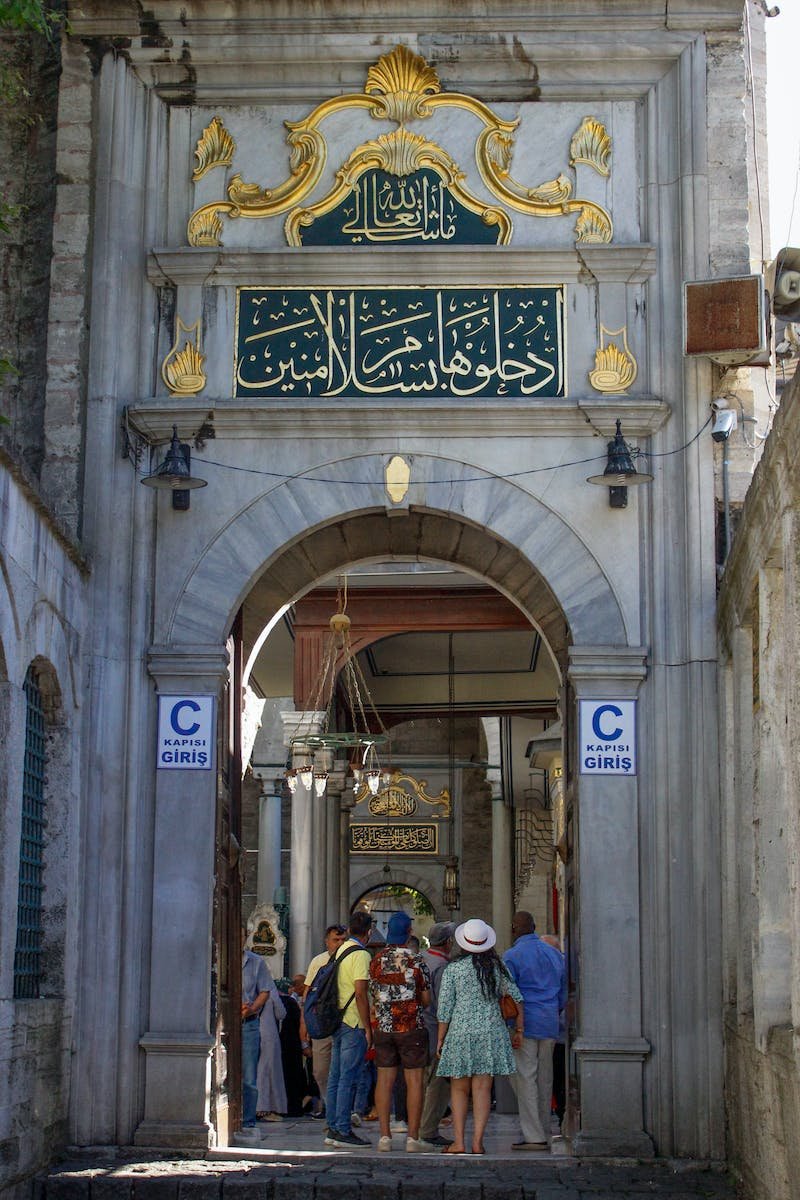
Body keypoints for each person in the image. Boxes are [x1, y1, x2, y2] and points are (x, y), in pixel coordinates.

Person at [436, 918, 523, 1155]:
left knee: (459, 1089)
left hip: (460, 1033)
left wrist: (441, 1039)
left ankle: (459, 1143)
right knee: (483, 1090)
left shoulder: (453, 969)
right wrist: (519, 1030)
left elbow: (445, 1008)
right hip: (490, 1032)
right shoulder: (497, 968)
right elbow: (516, 996)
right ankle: (477, 1142)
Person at [503, 911, 567, 1151]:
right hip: (549, 1020)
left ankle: (533, 1134)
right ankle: (543, 1128)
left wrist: (513, 1025)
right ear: (534, 926)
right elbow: (562, 992)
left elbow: (510, 995)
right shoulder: (554, 954)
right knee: (545, 1076)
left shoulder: (512, 956)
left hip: (525, 1022)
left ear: (514, 929)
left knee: (525, 1077)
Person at [368, 911, 431, 1153]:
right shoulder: (416, 961)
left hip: (384, 1028)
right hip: (411, 1026)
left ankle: (384, 1136)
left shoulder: (376, 960)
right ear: (408, 933)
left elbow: (373, 994)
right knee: (414, 1081)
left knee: (384, 1080)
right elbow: (425, 998)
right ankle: (412, 1137)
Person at [324, 909, 375, 1148]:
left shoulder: (340, 950)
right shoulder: (361, 955)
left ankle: (332, 1126)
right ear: (369, 931)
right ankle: (343, 1129)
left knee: (335, 1077)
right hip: (353, 1021)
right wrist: (368, 1027)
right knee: (348, 1077)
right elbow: (361, 993)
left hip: (338, 1020)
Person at [301, 923, 347, 1120]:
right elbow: (307, 994)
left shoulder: (351, 959)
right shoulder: (318, 962)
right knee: (320, 1070)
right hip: (322, 1023)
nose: (339, 943)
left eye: (343, 940)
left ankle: (344, 1110)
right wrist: (304, 1023)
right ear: (327, 941)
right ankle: (328, 1104)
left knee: (345, 1068)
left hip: (345, 1022)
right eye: (336, 940)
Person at [418, 921, 456, 1147]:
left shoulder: (421, 958)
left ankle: (417, 1127)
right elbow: (444, 1004)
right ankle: (428, 1130)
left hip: (415, 1027)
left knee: (420, 1080)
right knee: (437, 1081)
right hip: (433, 1028)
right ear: (448, 942)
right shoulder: (441, 966)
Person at [241, 930, 271, 1133]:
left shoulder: (256, 962)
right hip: (222, 1023)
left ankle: (248, 1119)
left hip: (248, 1023)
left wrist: (252, 1008)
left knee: (249, 1075)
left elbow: (265, 990)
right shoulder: (216, 957)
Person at [255, 957, 287, 1121]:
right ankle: (264, 1108)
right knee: (266, 1070)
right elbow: (281, 1012)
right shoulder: (270, 987)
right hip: (267, 1032)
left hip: (248, 1028)